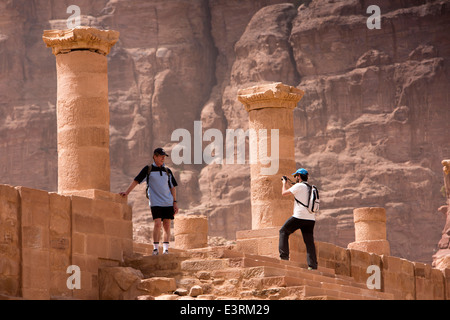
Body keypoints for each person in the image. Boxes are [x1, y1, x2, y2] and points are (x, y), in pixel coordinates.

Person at [120, 148, 179, 255]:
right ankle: (155, 248)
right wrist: (127, 192)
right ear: (155, 157)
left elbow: (173, 187)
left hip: (168, 202)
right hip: (155, 202)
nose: (163, 158)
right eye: (161, 156)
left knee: (166, 224)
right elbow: (136, 180)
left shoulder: (168, 171)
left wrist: (175, 202)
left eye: (164, 157)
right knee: (157, 224)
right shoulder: (148, 169)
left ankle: (166, 249)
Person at [279, 168, 318, 270]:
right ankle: (312, 265)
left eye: (296, 176)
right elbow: (295, 191)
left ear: (299, 176)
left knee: (283, 231)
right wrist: (288, 183)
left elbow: (284, 193)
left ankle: (284, 257)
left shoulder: (298, 186)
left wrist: (283, 183)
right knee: (309, 242)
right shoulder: (310, 187)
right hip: (310, 219)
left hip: (299, 217)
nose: (295, 178)